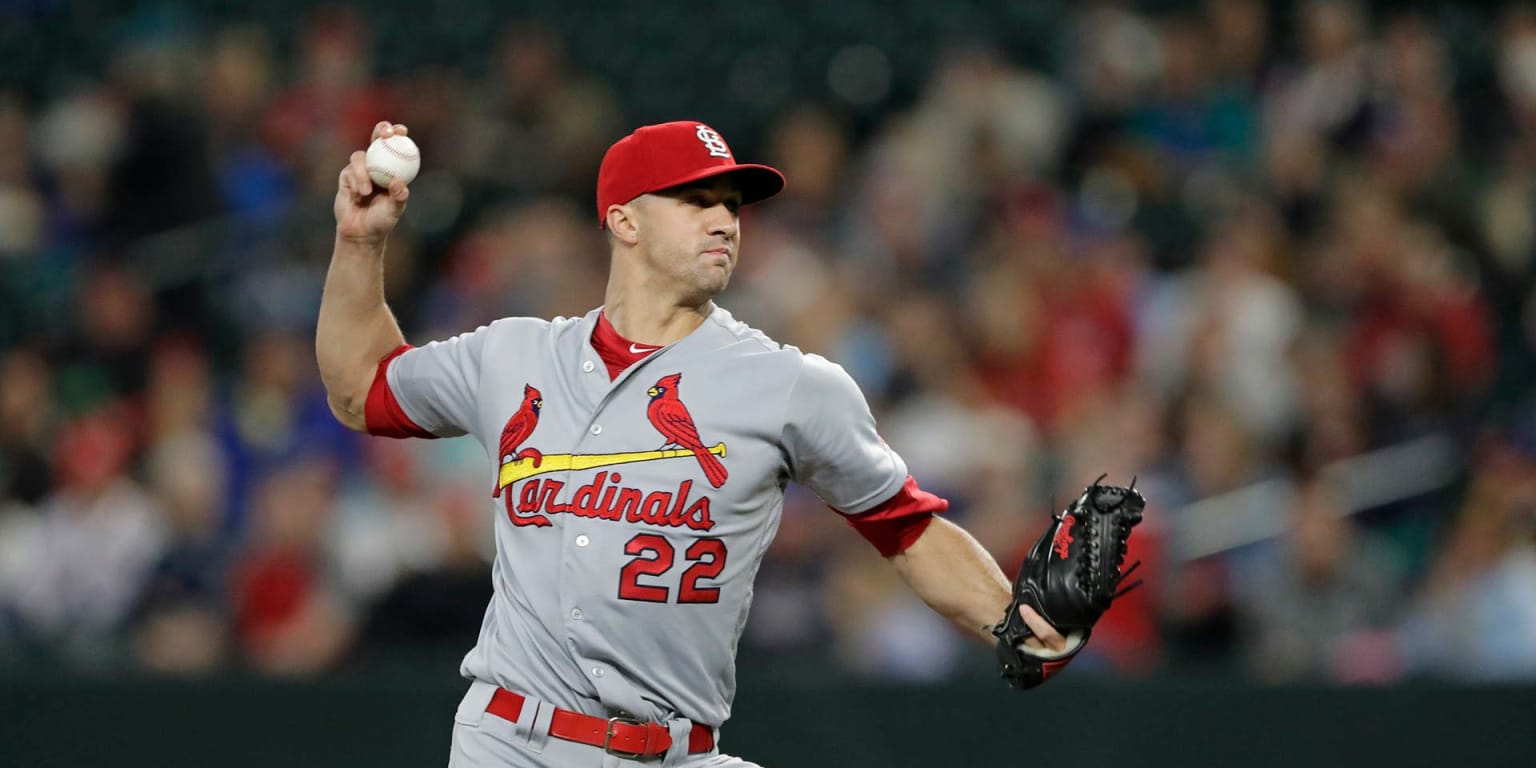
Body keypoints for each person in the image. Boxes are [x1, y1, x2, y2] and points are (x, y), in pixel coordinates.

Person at [317, 119, 1069, 767]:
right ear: (624, 220)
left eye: (732, 204)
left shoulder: (790, 385)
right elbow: (361, 389)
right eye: (695, 199)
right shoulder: (512, 358)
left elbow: (907, 526)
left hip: (679, 749)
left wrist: (1010, 621)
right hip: (514, 740)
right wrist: (360, 241)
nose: (725, 220)